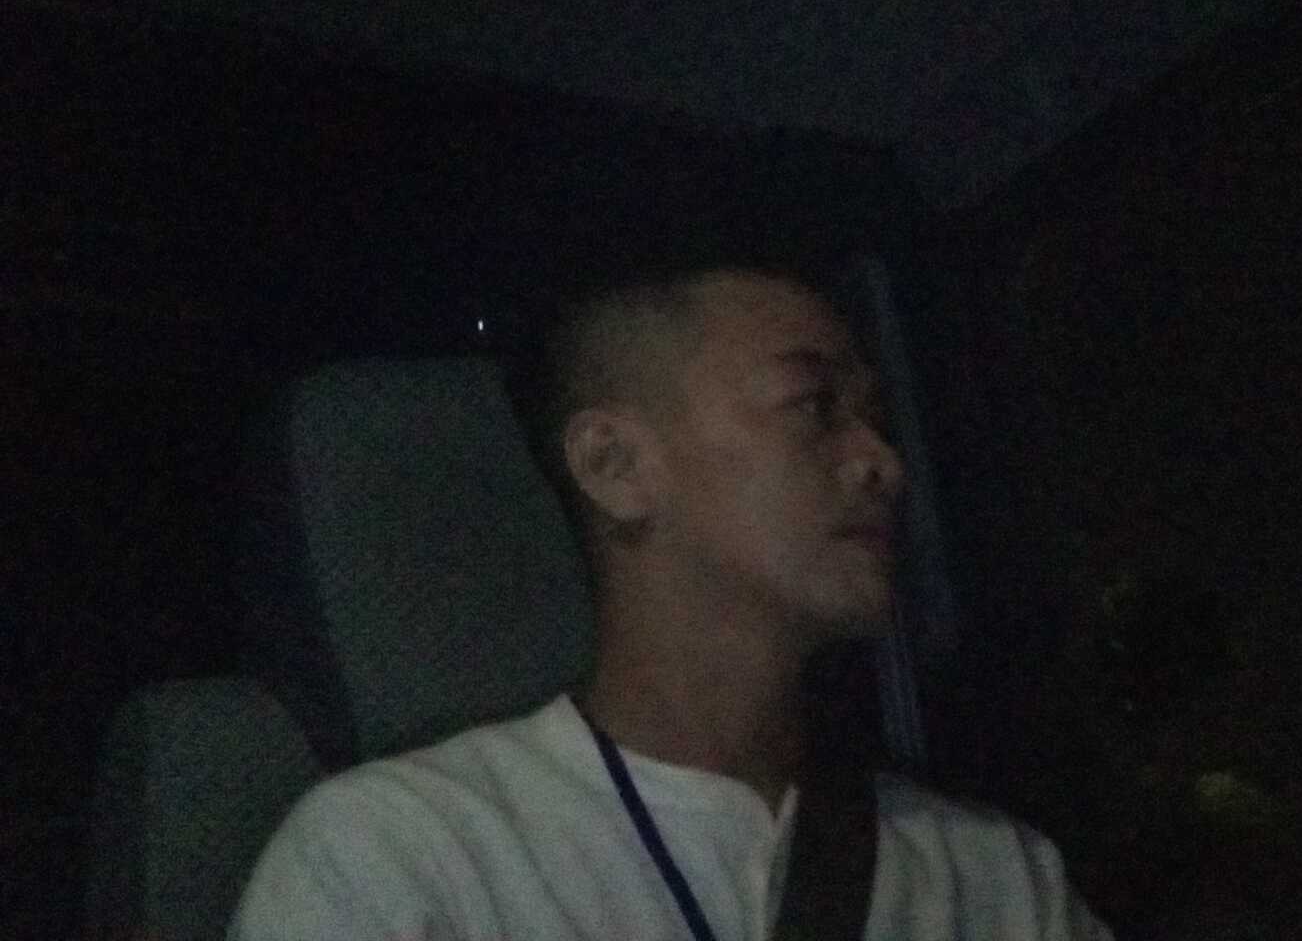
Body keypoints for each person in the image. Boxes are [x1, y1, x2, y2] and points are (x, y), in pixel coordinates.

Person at [229, 251, 1114, 940]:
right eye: (814, 405)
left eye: (876, 420)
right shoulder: (402, 856)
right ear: (615, 466)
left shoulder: (997, 880)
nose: (882, 462)